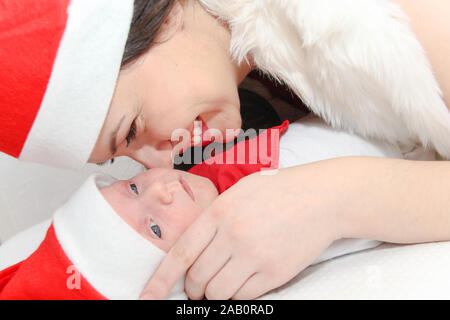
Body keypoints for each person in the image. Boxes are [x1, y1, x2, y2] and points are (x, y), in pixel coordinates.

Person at [0, 0, 449, 300]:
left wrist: (336, 200)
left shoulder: (378, 19)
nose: (161, 162)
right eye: (125, 161)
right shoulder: (251, 105)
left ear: (165, 15)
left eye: (132, 128)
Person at [0, 118, 401, 299]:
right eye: (154, 229)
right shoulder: (269, 235)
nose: (161, 190)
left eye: (134, 186)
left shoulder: (196, 152)